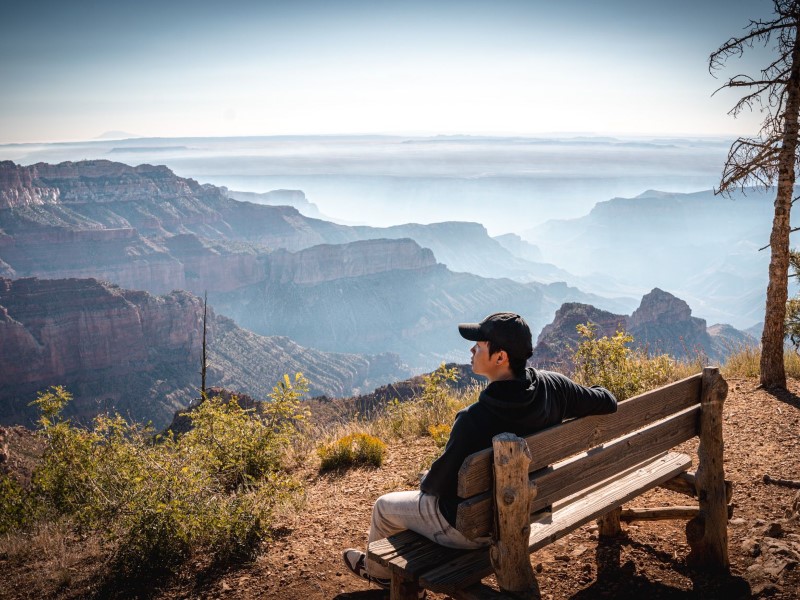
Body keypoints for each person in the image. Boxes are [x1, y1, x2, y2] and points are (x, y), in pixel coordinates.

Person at [342, 312, 618, 590]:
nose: (471, 350)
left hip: (474, 529)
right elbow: (608, 401)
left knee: (384, 507)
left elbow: (437, 488)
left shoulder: (474, 419)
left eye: (479, 345)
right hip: (530, 510)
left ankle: (379, 573)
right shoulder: (555, 386)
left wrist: (428, 477)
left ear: (500, 358)